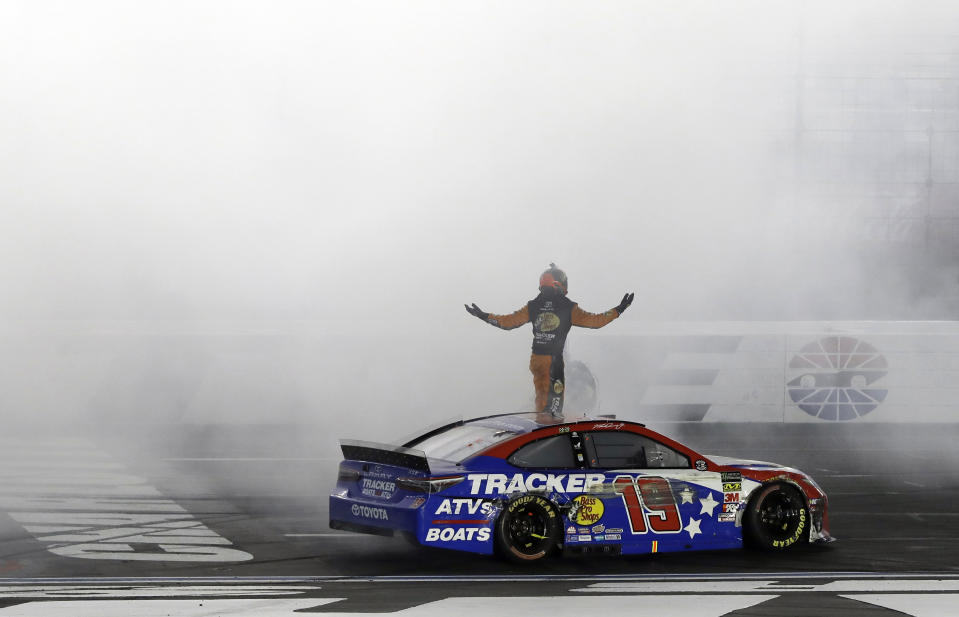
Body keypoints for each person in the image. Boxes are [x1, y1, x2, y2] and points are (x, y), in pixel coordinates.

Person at [465, 263, 633, 420]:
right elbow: (596, 322)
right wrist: (619, 310)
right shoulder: (568, 306)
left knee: (541, 401)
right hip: (553, 361)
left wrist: (484, 316)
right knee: (553, 410)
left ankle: (540, 422)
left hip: (536, 360)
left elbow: (508, 322)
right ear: (559, 284)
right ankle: (548, 427)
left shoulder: (533, 305)